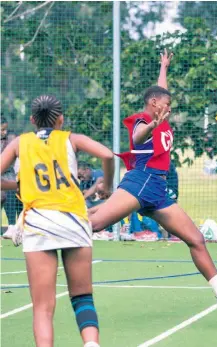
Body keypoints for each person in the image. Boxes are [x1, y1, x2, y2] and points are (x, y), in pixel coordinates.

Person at [89, 49, 217, 310]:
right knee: (96, 224)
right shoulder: (145, 120)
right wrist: (153, 125)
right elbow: (137, 138)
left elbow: (161, 89)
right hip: (142, 181)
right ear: (154, 104)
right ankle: (40, 228)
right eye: (166, 104)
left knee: (196, 238)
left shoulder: (160, 115)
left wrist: (164, 66)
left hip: (158, 190)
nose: (170, 108)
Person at [0, 94, 114, 347]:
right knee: (82, 295)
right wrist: (106, 184)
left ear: (32, 120)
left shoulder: (20, 143)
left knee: (42, 307)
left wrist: (17, 184)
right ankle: (91, 344)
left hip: (40, 223)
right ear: (61, 119)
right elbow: (107, 155)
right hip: (73, 219)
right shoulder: (71, 139)